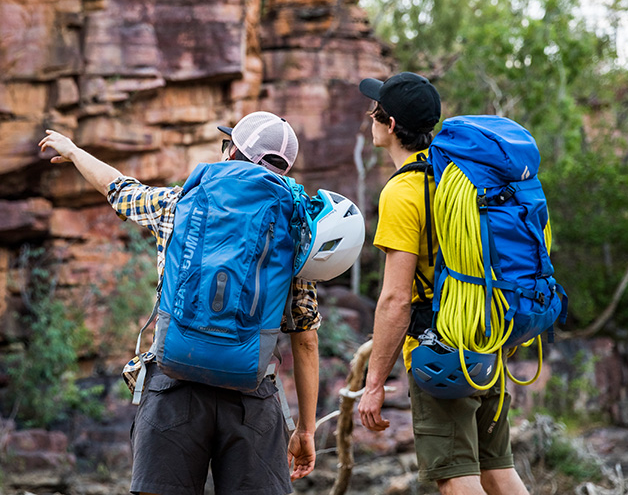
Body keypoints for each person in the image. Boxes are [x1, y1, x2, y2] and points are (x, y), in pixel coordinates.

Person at [39, 111, 319, 495]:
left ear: (232, 151)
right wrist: (305, 428)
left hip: (173, 384)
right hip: (251, 396)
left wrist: (73, 151)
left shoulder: (179, 203)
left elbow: (119, 189)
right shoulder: (296, 229)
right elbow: (305, 337)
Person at [355, 72, 530, 495]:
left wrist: (373, 384)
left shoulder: (403, 191)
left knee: (456, 479)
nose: (369, 115)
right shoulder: (462, 179)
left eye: (375, 110)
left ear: (390, 125)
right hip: (485, 336)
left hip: (440, 353)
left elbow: (396, 299)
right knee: (497, 470)